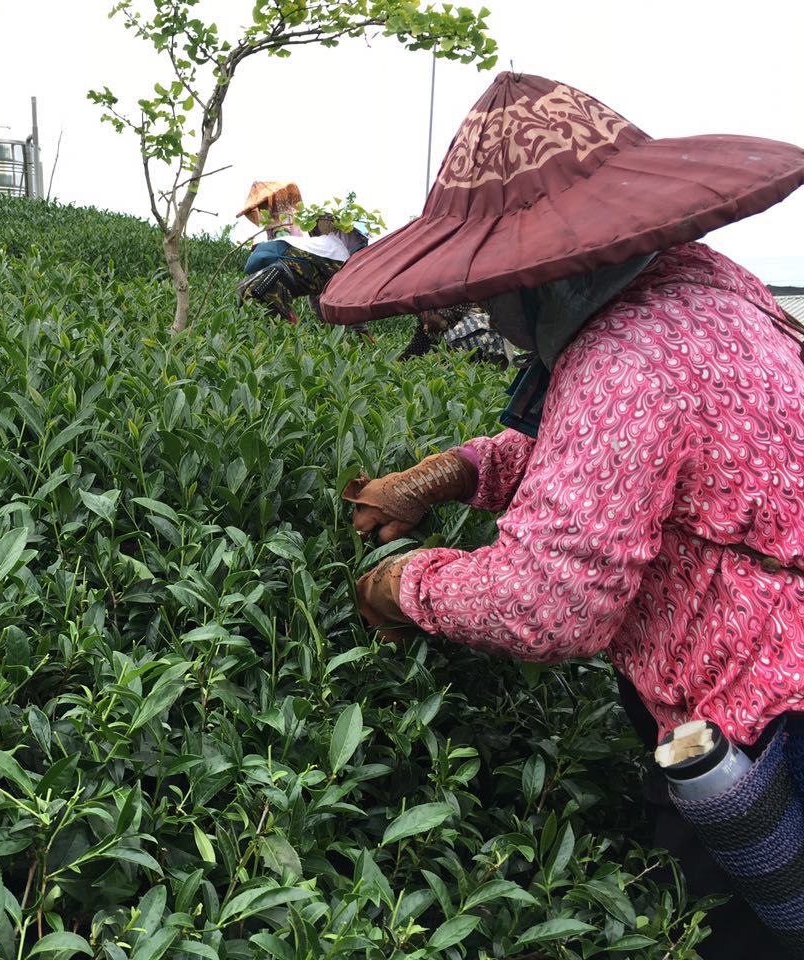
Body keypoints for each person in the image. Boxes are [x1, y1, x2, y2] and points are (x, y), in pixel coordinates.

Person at [320, 72, 804, 956]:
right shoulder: (715, 289)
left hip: (764, 721)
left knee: (745, 927)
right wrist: (453, 472)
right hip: (758, 684)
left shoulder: (626, 352)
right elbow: (617, 456)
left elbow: (549, 602)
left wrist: (404, 585)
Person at [235, 181, 367, 324]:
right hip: (307, 266)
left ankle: (290, 325)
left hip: (301, 263)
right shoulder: (331, 248)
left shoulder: (330, 245)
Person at [397, 302, 512, 367]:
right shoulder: (422, 309)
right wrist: (404, 360)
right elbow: (423, 338)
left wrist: (443, 317)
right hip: (454, 352)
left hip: (478, 335)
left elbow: (465, 297)